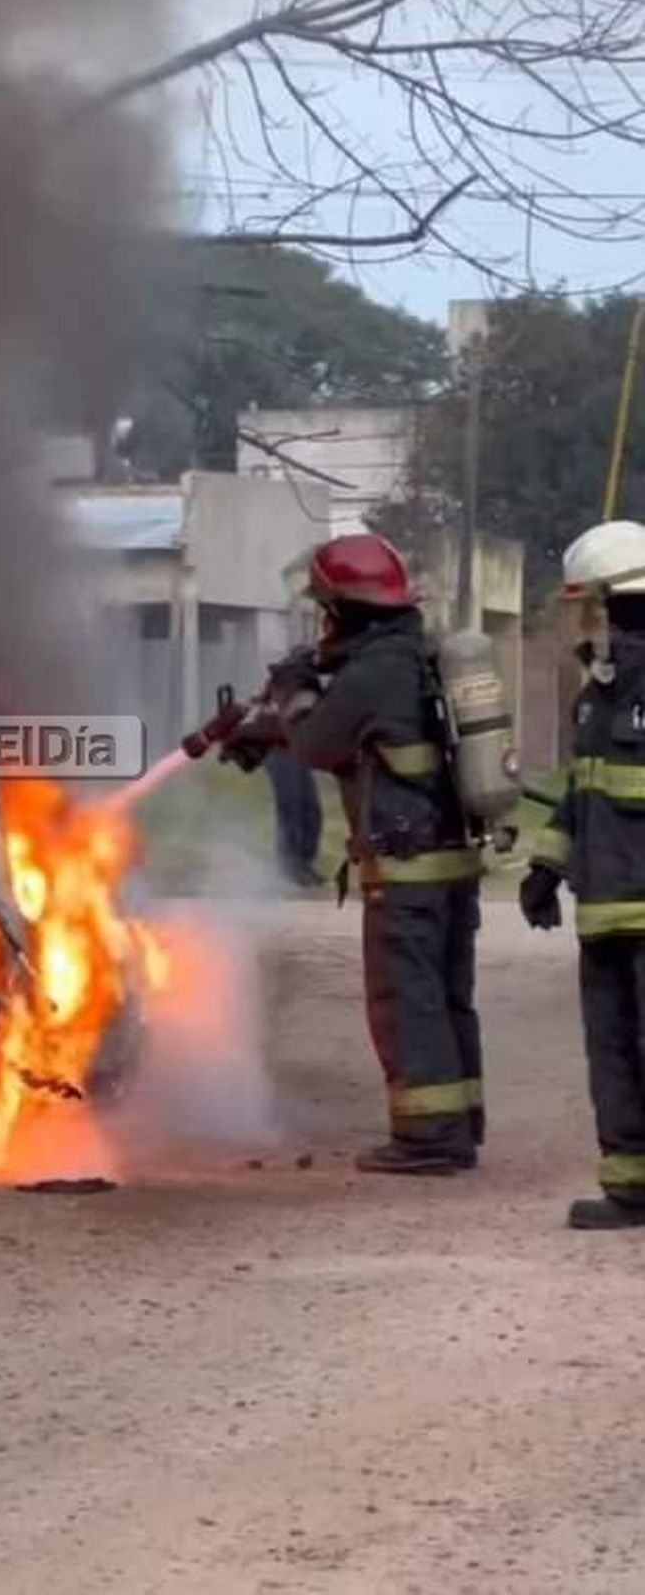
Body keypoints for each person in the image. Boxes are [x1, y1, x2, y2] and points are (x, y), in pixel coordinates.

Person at [265, 533, 485, 1174]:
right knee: (446, 997)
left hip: (404, 864)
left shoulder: (373, 673)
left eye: (327, 609)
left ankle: (427, 1141)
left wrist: (294, 690)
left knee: (405, 999)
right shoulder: (415, 656)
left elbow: (313, 743)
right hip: (448, 862)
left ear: (347, 609)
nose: (323, 622)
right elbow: (372, 745)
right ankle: (459, 1124)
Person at [520, 519, 645, 1229]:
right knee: (614, 1054)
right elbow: (583, 791)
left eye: (596, 602)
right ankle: (630, 1190)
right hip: (604, 909)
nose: (591, 618)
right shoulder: (600, 691)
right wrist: (545, 864)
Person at [264, 745, 324, 889]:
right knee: (291, 805)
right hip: (276, 749)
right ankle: (288, 867)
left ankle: (304, 863)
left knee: (312, 808)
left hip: (298, 751)